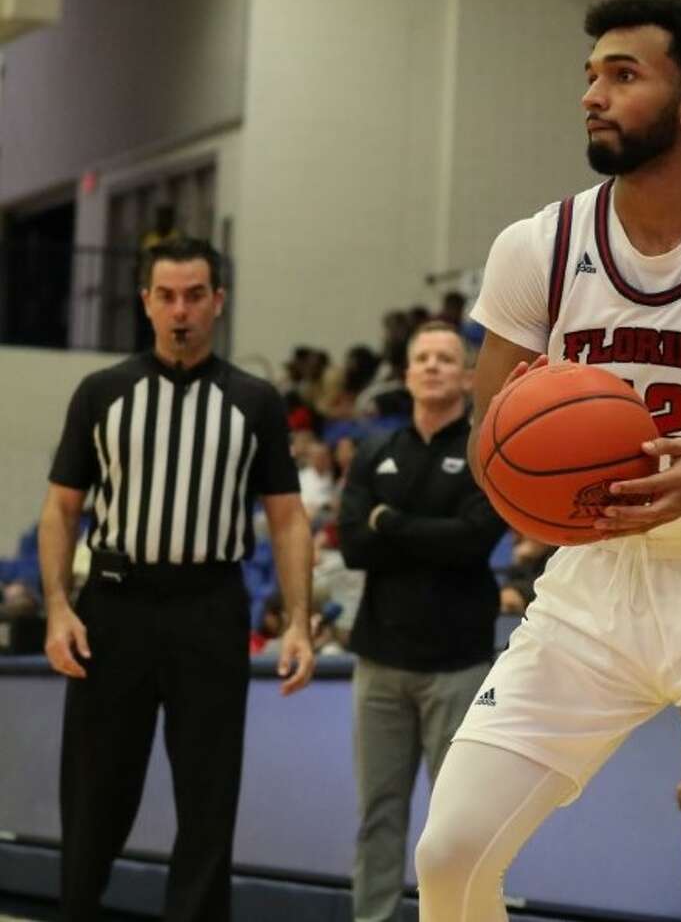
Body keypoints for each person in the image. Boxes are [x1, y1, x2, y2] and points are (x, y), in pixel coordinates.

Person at [413, 0, 681, 922]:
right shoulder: (539, 245)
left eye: (623, 74)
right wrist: (533, 481)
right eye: (589, 75)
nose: (592, 94)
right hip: (590, 591)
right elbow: (497, 440)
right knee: (449, 856)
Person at [39, 237, 316, 922]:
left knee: (208, 796)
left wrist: (301, 620)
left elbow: (287, 519)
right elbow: (60, 507)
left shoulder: (254, 400)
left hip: (210, 607)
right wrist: (55, 607)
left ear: (218, 302)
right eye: (166, 295)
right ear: (145, 302)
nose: (180, 309)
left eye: (195, 294)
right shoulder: (102, 392)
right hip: (115, 608)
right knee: (95, 791)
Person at [337, 320, 507, 922]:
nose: (433, 366)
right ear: (406, 373)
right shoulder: (376, 451)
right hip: (379, 660)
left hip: (457, 663)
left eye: (445, 357)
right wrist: (411, 533)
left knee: (460, 822)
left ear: (466, 374)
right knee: (377, 813)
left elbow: (472, 542)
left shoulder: (486, 450)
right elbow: (353, 543)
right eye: (422, 358)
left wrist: (392, 524)